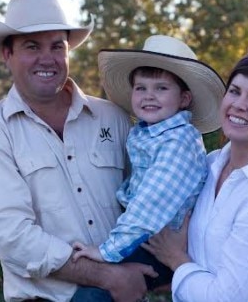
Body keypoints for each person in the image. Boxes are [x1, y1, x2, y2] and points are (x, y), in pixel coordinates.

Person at [0, 0, 158, 302]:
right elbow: (12, 237)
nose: (47, 58)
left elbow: (150, 197)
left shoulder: (113, 117)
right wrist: (108, 276)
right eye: (31, 46)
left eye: (57, 46)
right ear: (7, 54)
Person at [143, 50, 248, 301]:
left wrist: (175, 259)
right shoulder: (207, 167)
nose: (239, 104)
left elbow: (224, 297)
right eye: (234, 91)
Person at [71, 35, 225, 292]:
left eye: (161, 88)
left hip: (161, 245)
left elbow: (150, 205)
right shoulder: (149, 133)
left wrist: (106, 251)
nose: (148, 96)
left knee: (94, 291)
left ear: (184, 99)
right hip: (145, 237)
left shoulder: (178, 141)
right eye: (141, 88)